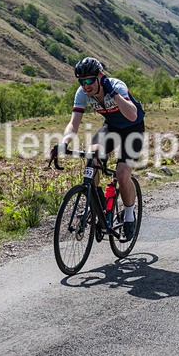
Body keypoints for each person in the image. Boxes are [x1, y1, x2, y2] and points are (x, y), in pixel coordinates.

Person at [51, 57, 145, 241]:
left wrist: (113, 93)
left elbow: (132, 115)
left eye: (89, 80)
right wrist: (64, 143)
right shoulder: (82, 93)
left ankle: (129, 216)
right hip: (111, 128)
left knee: (122, 175)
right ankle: (96, 204)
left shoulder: (116, 86)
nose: (86, 86)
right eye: (82, 81)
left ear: (100, 76)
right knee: (92, 154)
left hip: (133, 129)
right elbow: (74, 124)